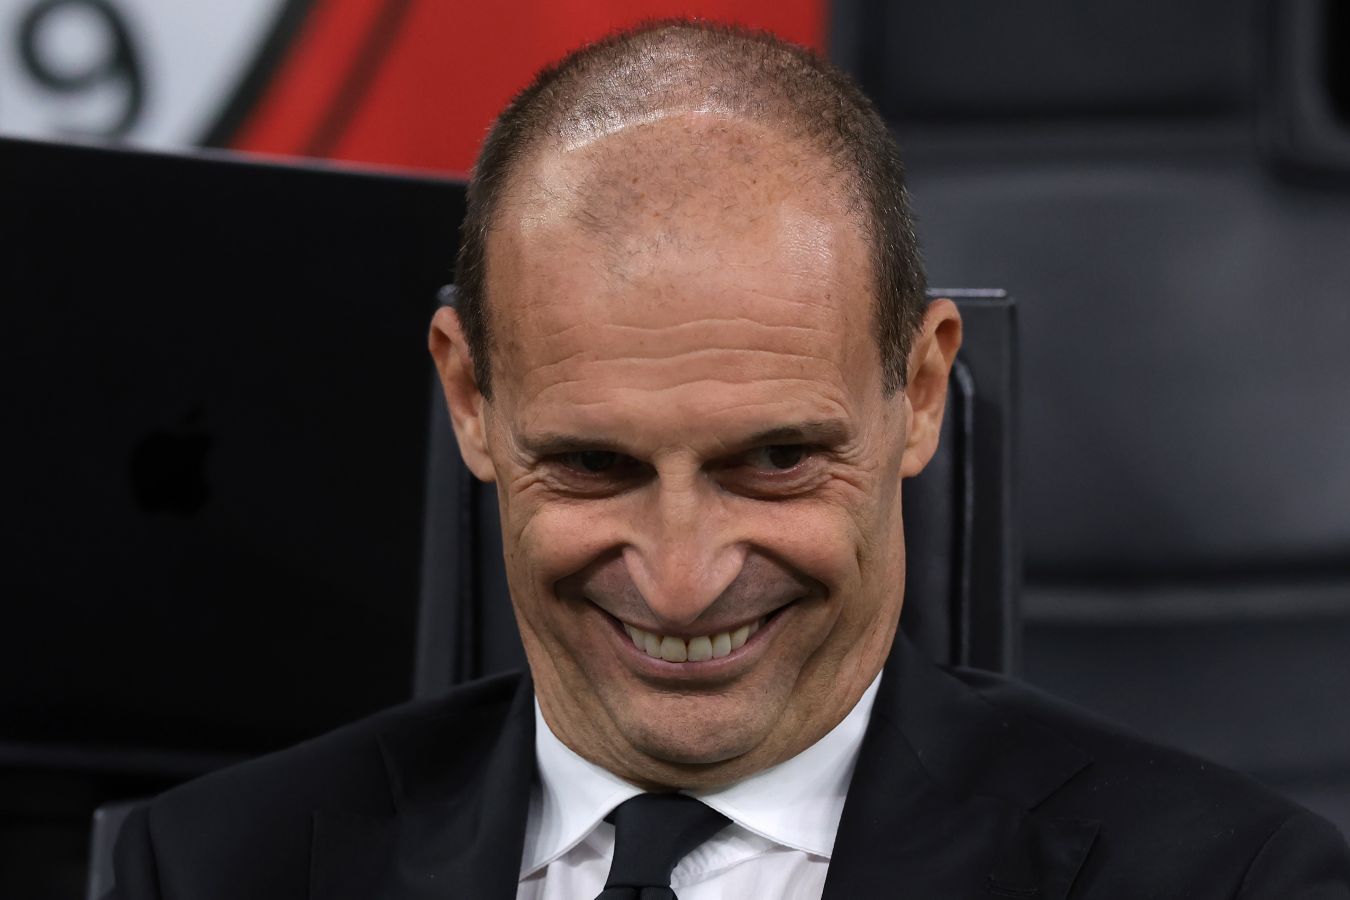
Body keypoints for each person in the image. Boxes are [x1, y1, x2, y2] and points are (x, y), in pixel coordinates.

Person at [109, 20, 1350, 900]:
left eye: (775, 461)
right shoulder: (209, 871)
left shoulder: (1235, 883)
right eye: (593, 466)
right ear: (471, 400)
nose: (683, 578)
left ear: (920, 391)